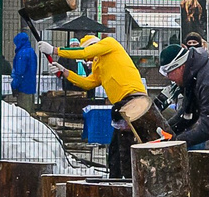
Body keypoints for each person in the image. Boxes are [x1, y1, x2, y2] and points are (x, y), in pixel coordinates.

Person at [60, 32, 151, 180]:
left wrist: (55, 51)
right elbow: (88, 83)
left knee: (126, 144)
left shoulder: (109, 44)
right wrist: (66, 73)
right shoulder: (100, 65)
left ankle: (126, 178)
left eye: (90, 57)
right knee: (116, 147)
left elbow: (85, 52)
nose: (89, 60)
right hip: (122, 105)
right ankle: (117, 177)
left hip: (132, 99)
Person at [159, 37, 209, 150]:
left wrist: (175, 142)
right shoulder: (192, 77)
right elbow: (187, 115)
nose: (168, 77)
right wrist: (165, 131)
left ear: (180, 67)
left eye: (169, 72)